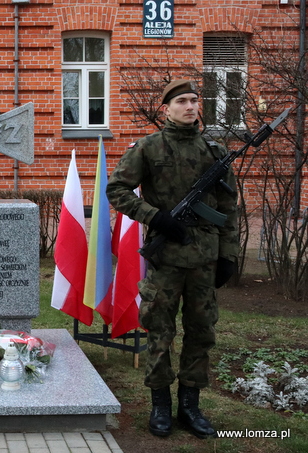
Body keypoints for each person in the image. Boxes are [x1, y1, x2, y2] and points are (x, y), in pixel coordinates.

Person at [106, 79, 239, 439]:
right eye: (182, 101)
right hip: (166, 258)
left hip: (205, 260)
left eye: (195, 101)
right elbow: (116, 190)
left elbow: (229, 209)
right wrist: (155, 217)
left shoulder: (215, 151)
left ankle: (190, 407)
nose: (191, 106)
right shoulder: (148, 148)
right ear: (167, 108)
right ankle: (161, 405)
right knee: (160, 330)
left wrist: (229, 256)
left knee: (201, 331)